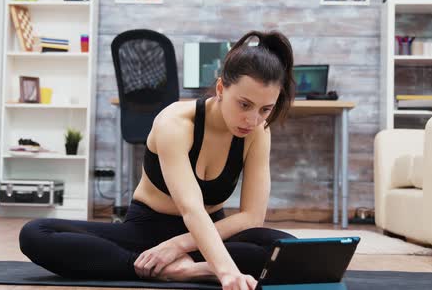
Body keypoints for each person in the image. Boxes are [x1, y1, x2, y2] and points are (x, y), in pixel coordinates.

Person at [19, 30, 297, 290]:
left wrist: (178, 246)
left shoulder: (258, 130)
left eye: (265, 109)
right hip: (146, 233)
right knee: (36, 233)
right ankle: (180, 271)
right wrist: (224, 272)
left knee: (286, 249)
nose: (253, 119)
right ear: (222, 88)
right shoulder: (174, 123)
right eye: (244, 104)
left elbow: (252, 216)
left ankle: (184, 263)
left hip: (207, 235)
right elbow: (191, 209)